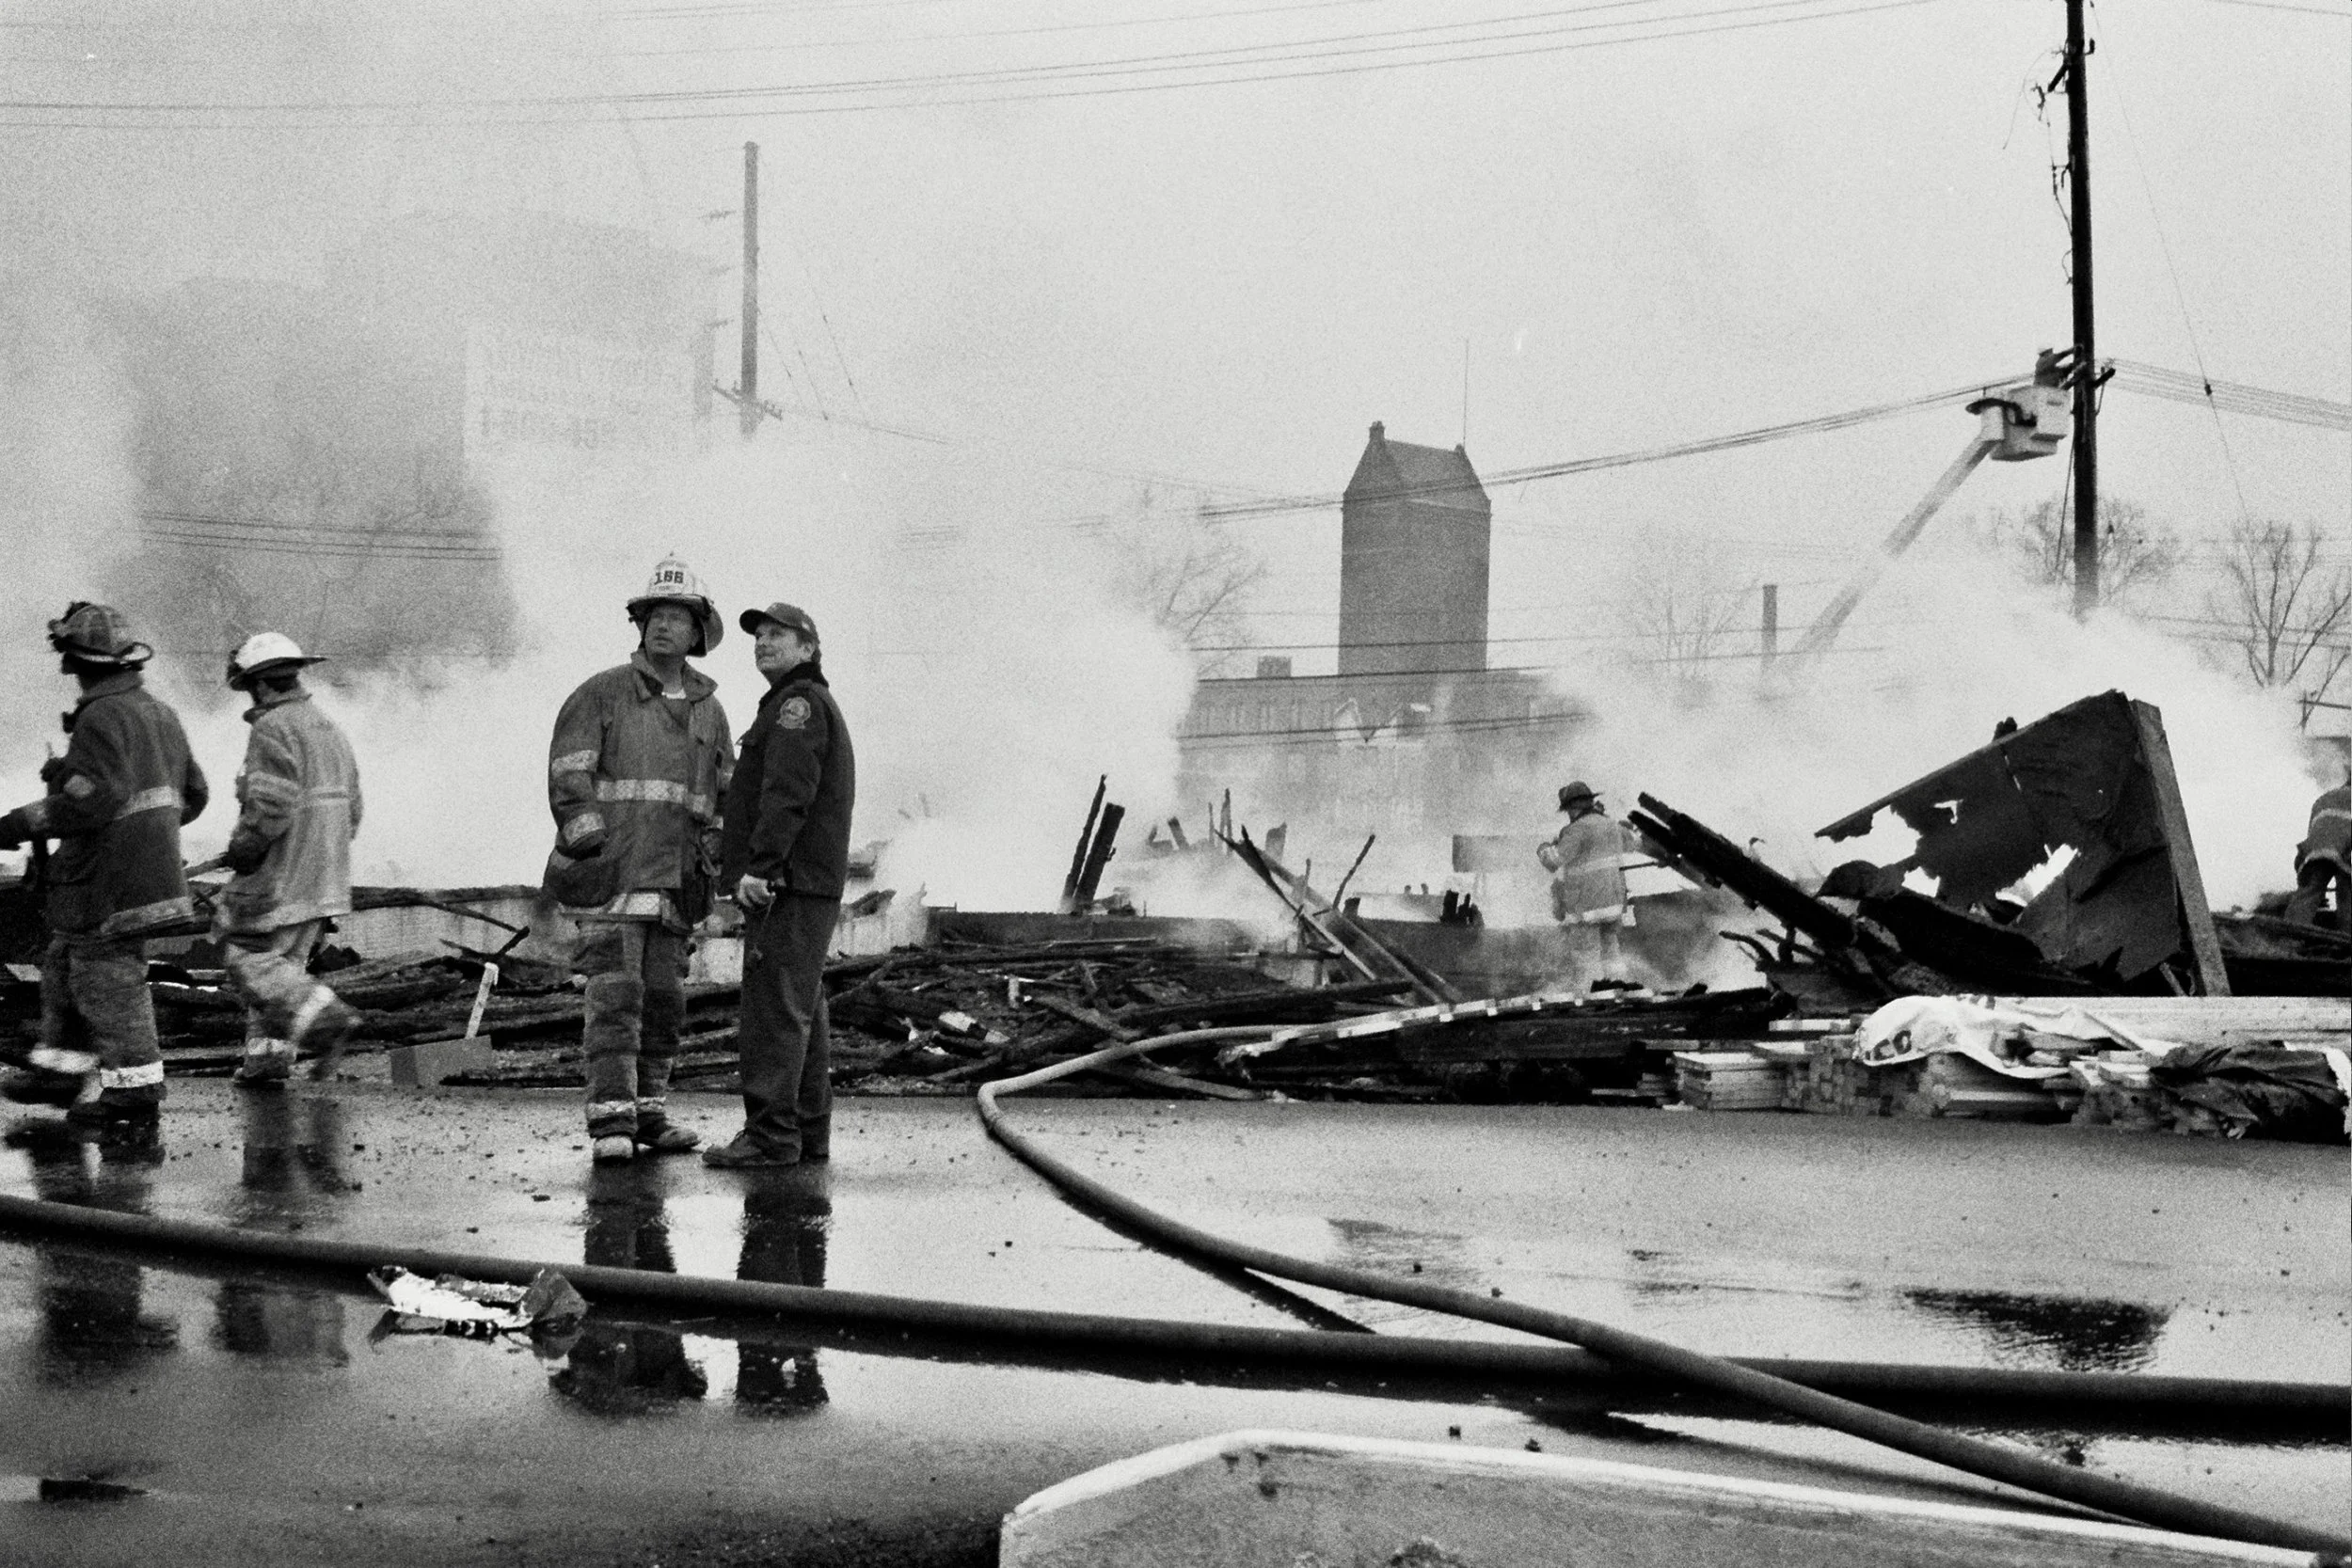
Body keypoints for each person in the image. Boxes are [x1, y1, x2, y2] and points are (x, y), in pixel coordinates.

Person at [544, 559, 733, 1165]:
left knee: (664, 1002)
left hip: (676, 884)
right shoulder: (601, 692)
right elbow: (569, 774)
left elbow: (722, 798)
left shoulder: (711, 712)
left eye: (677, 617)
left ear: (698, 632)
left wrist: (715, 863)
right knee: (615, 999)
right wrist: (592, 842)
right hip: (614, 877)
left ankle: (649, 1111)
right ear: (640, 623)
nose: (663, 627)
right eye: (655, 616)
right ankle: (610, 1121)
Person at [0, 603, 207, 1132]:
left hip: (107, 883)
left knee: (107, 979)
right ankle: (59, 1072)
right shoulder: (159, 712)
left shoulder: (99, 716)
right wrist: (147, 834)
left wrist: (16, 824)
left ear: (73, 661)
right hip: (139, 875)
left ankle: (135, 1090)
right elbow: (194, 794)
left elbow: (93, 803)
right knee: (65, 965)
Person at [706, 601, 854, 1169]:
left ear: (808, 650)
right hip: (806, 882)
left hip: (788, 884)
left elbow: (788, 794)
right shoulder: (799, 704)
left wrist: (760, 867)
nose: (763, 642)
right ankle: (807, 1132)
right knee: (802, 1011)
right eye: (759, 635)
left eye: (777, 635)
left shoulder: (795, 707)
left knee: (773, 1011)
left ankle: (771, 1136)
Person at [215, 633, 363, 1085]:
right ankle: (268, 1061)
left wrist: (245, 848)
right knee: (284, 970)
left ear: (258, 684)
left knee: (247, 954)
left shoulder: (273, 728)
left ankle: (328, 1022)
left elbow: (271, 805)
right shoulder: (327, 727)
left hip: (282, 875)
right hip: (325, 877)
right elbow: (352, 810)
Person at [1536, 779, 1637, 977]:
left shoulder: (1576, 830)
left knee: (1585, 955)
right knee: (1611, 951)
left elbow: (1553, 861)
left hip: (1587, 907)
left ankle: (1589, 991)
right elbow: (1634, 842)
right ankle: (1616, 985)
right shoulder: (1611, 825)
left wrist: (1543, 849)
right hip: (1613, 905)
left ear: (1572, 808)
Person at [2283, 777, 2349, 928]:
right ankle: (2346, 938)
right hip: (2345, 850)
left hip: (2315, 853)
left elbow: (2313, 834)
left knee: (2309, 892)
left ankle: (2290, 937)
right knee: (2347, 896)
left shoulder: (2324, 799)